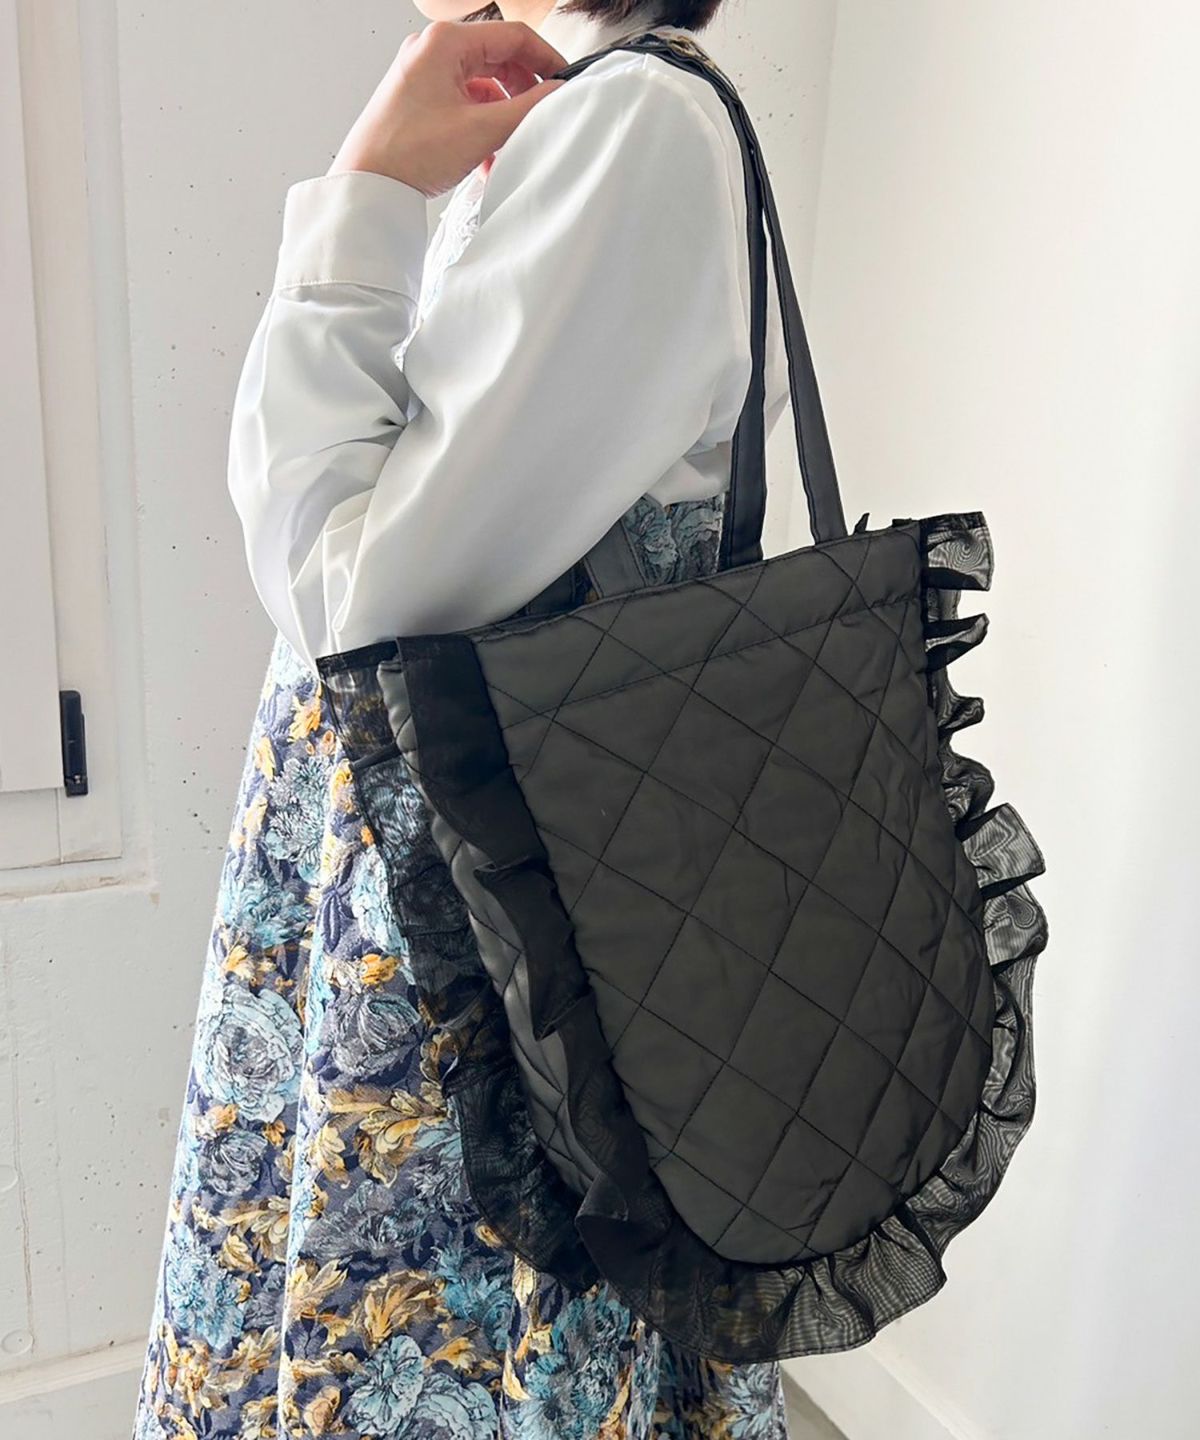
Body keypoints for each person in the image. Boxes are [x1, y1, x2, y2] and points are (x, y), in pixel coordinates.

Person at [133, 3, 794, 1436]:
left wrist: (364, 196)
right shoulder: (582, 123)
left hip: (486, 928)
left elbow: (357, 594)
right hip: (455, 891)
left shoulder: (634, 129)